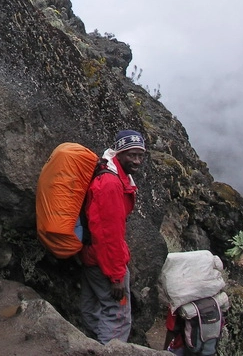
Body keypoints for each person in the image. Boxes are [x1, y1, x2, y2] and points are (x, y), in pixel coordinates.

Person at [79, 129, 146, 344]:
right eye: (131, 155)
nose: (136, 161)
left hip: (91, 256)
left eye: (140, 155)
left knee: (91, 309)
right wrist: (117, 276)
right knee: (117, 316)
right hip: (104, 261)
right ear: (118, 152)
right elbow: (109, 234)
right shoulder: (110, 184)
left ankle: (92, 347)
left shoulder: (109, 174)